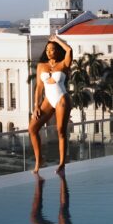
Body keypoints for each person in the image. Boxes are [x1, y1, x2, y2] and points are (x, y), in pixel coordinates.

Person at [30, 34, 73, 173]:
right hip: (48, 100)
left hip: (62, 99)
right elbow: (39, 87)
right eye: (47, 49)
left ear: (57, 50)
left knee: (61, 131)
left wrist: (57, 40)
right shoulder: (41, 66)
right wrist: (36, 106)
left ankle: (62, 163)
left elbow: (69, 50)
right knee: (32, 128)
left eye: (52, 49)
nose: (49, 52)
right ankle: (39, 160)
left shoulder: (63, 64)